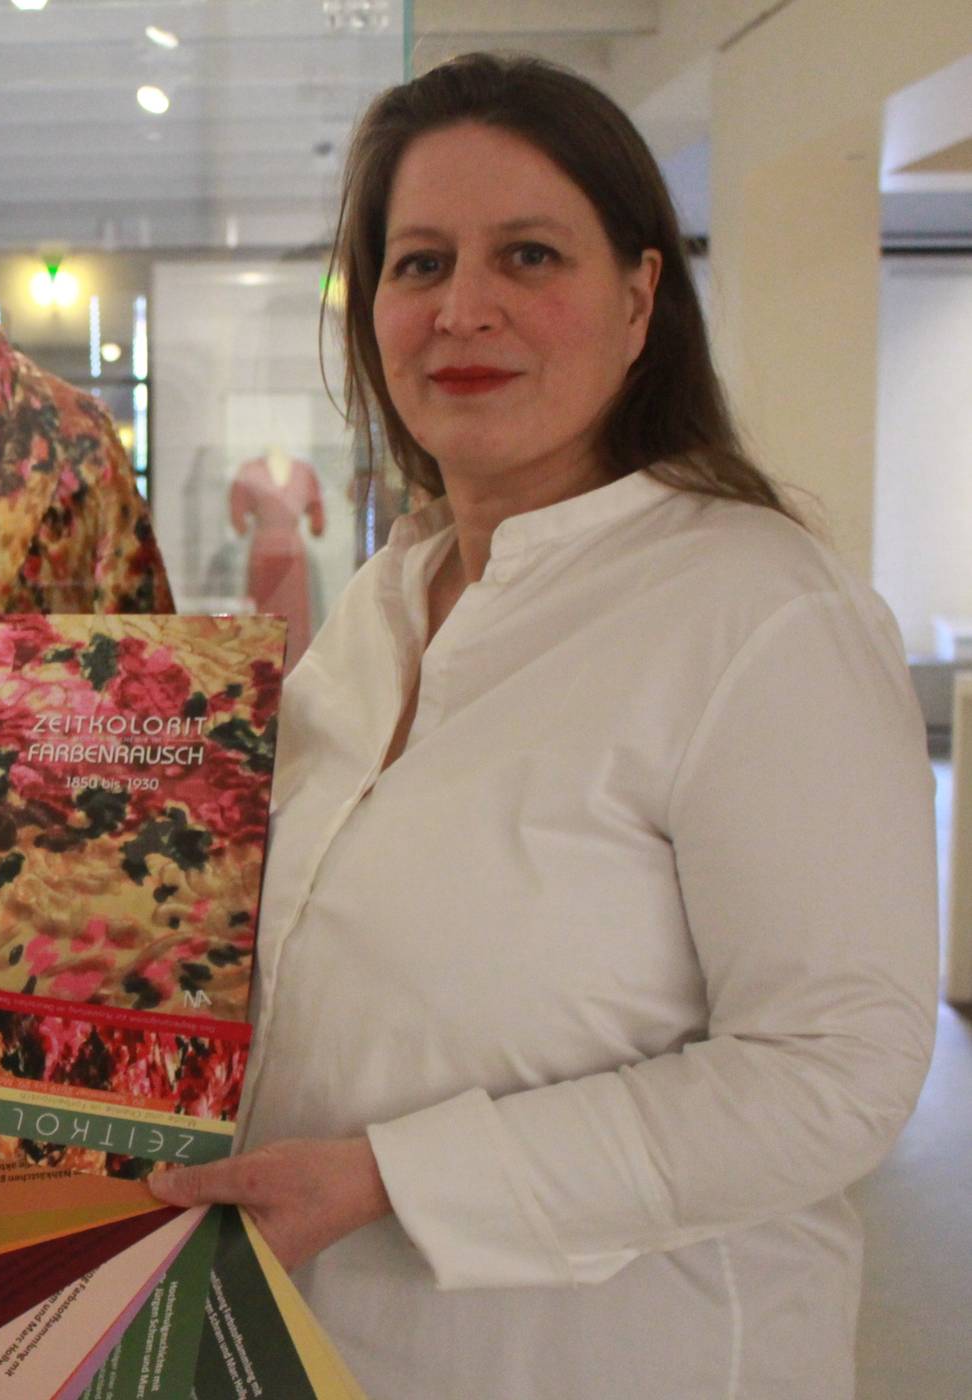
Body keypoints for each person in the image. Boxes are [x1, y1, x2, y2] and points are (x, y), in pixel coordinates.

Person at [149, 54, 936, 1399]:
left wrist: (395, 1179)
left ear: (640, 299)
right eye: (418, 263)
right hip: (322, 1352)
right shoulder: (377, 612)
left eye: (527, 256)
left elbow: (833, 1075)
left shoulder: (759, 611)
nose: (464, 308)